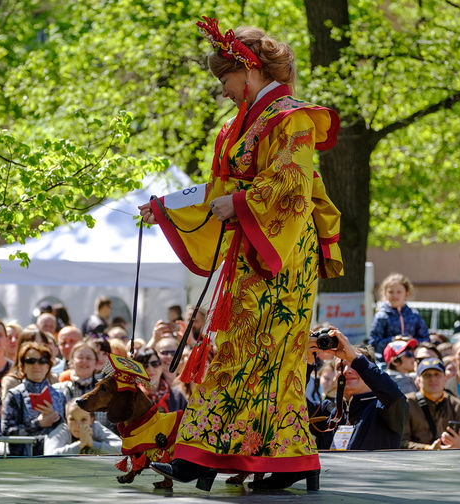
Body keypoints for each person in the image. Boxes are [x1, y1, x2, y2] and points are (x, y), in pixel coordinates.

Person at [142, 18, 342, 491]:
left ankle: (204, 454)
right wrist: (166, 206)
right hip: (255, 249)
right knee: (253, 355)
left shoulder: (291, 117)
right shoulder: (241, 125)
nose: (223, 90)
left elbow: (290, 183)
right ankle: (288, 459)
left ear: (250, 70)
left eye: (225, 78)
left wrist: (240, 202)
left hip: (282, 252)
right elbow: (220, 188)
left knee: (257, 353)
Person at [308, 329, 407, 452]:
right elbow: (292, 404)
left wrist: (356, 358)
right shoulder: (330, 411)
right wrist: (307, 362)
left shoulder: (383, 409)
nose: (347, 371)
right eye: (340, 367)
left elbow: (395, 396)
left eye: (354, 365)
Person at [1, 342, 65, 455]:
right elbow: (7, 431)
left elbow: (69, 430)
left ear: (48, 366)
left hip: (55, 458)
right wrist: (38, 424)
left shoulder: (60, 395)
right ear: (22, 366)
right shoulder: (14, 395)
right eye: (31, 361)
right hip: (23, 460)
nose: (36, 365)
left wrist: (56, 419)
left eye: (42, 361)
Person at [402, 357, 460, 449]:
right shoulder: (407, 403)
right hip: (417, 458)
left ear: (445, 379)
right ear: (418, 380)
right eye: (427, 375)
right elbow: (400, 442)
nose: (433, 379)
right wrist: (427, 448)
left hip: (451, 457)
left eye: (437, 374)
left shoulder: (457, 407)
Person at [368, 273, 430, 354]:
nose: (395, 295)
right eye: (391, 292)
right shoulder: (381, 316)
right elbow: (373, 345)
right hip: (386, 360)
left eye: (399, 292)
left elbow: (426, 340)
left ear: (407, 293)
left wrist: (413, 341)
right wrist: (393, 340)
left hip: (411, 359)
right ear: (385, 294)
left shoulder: (414, 315)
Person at [44, 398, 121, 455]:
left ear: (92, 420)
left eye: (83, 419)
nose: (78, 425)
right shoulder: (62, 430)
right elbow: (49, 455)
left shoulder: (96, 427)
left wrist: (93, 444)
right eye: (72, 419)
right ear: (66, 419)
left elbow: (122, 448)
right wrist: (80, 444)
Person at [132, 347, 187, 413]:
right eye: (144, 365)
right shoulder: (132, 396)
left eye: (154, 363)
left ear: (161, 366)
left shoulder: (178, 395)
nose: (150, 369)